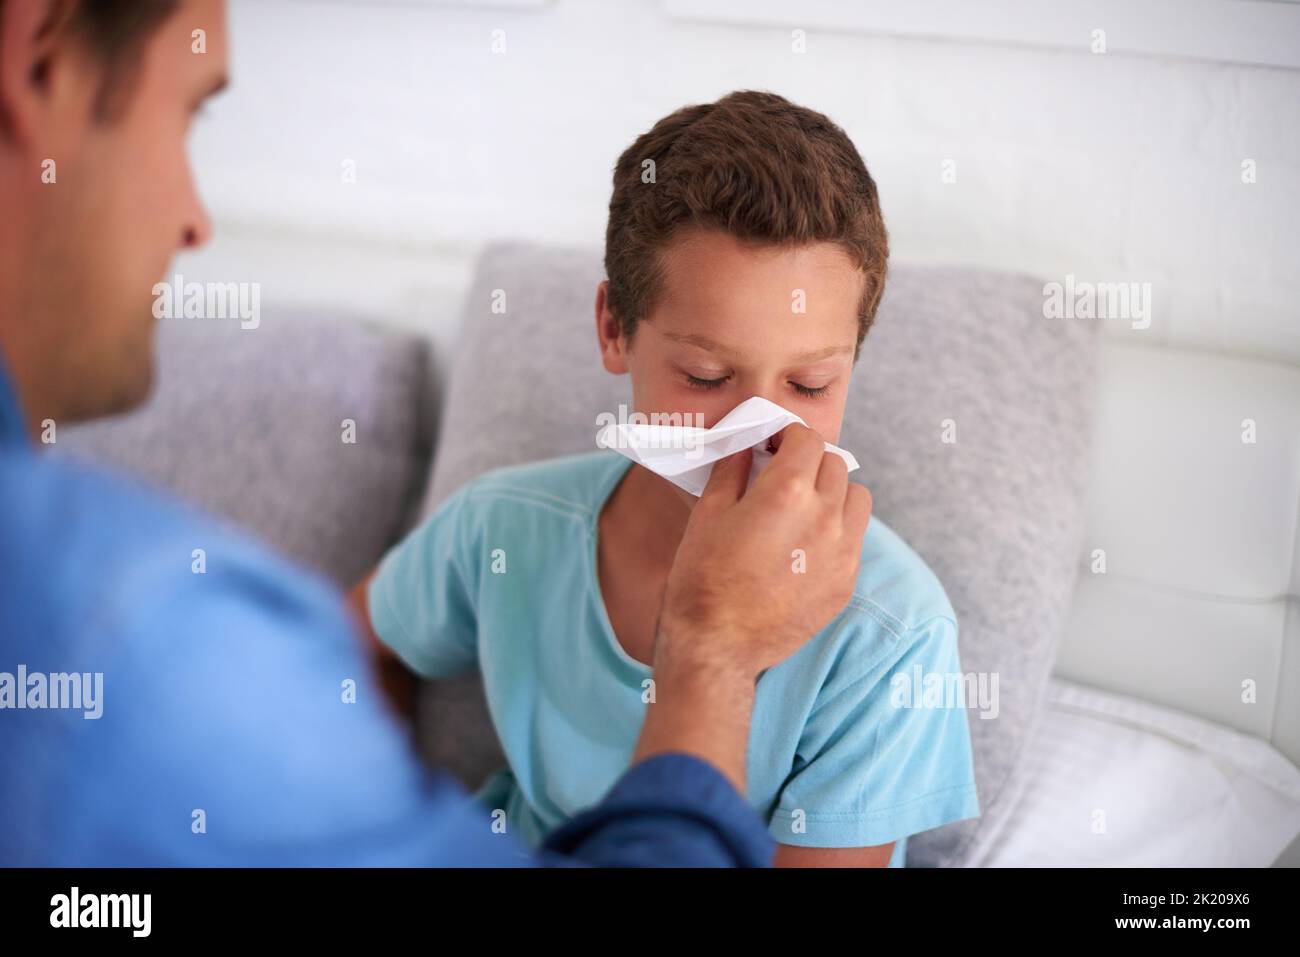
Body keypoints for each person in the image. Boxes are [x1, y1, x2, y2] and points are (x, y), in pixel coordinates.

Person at [0, 0, 870, 866]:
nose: (197, 220)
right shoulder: (147, 627)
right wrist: (711, 657)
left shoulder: (885, 630)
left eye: (811, 382)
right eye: (190, 114)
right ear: (39, 63)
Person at [349, 92, 981, 868]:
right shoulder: (504, 527)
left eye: (810, 385)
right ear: (614, 328)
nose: (759, 428)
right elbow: (353, 641)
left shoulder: (891, 632)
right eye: (707, 374)